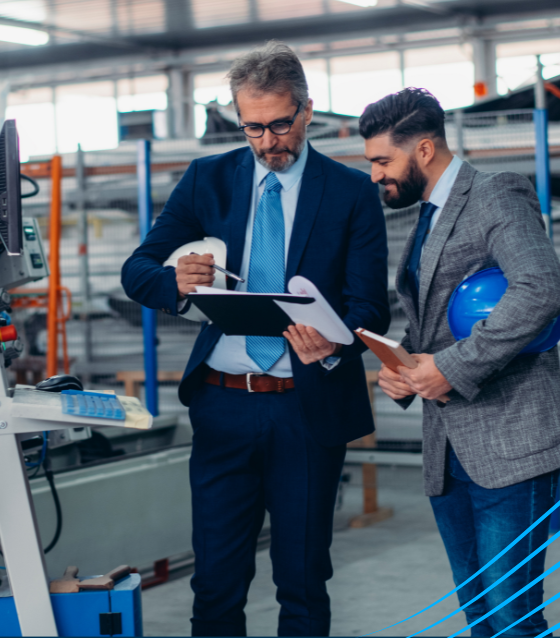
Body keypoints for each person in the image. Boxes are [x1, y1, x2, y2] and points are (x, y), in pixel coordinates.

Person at [121, 41, 390, 637]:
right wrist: (175, 279)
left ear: (307, 111)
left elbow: (371, 307)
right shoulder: (207, 180)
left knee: (301, 581)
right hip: (223, 405)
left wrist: (338, 343)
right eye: (252, 128)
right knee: (215, 584)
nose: (269, 141)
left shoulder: (350, 192)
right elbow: (136, 271)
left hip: (307, 407)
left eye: (279, 124)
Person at [361, 87, 560, 637]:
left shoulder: (496, 194)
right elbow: (434, 321)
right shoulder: (428, 216)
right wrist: (404, 366)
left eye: (383, 161)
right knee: (481, 614)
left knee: (513, 617)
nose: (375, 175)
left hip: (510, 442)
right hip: (449, 449)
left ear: (425, 150)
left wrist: (452, 368)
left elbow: (540, 288)